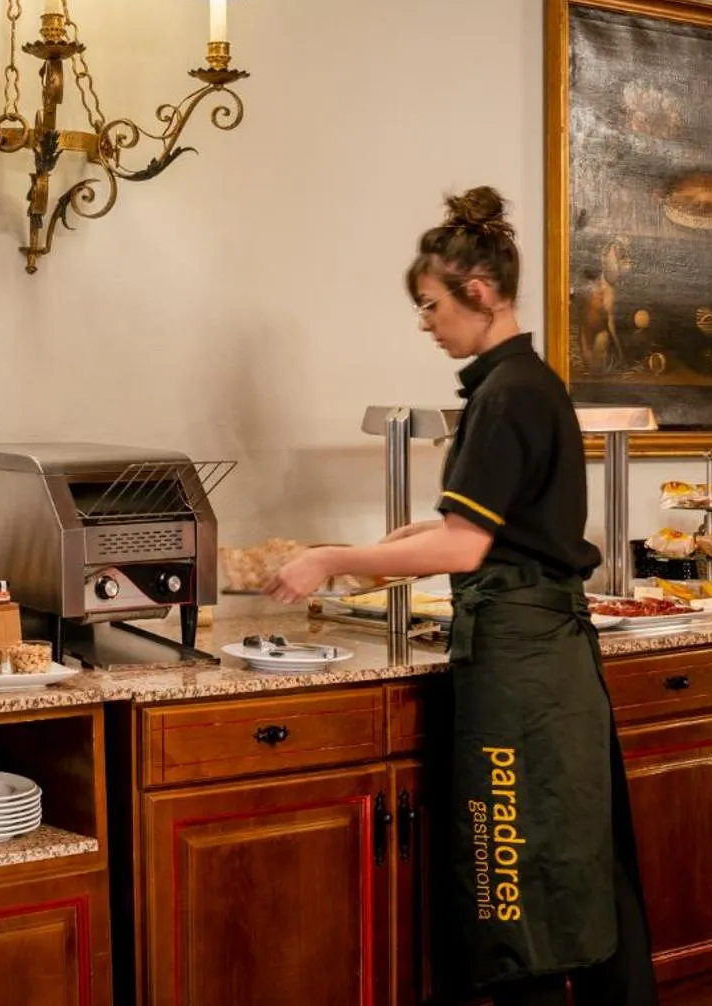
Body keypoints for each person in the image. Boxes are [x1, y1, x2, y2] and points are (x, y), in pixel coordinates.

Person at [264, 187, 657, 1006]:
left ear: (477, 293)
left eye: (429, 303)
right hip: (549, 649)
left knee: (515, 865)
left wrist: (331, 558)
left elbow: (466, 546)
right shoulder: (527, 382)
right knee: (580, 854)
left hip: (521, 664)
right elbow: (468, 527)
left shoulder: (505, 395)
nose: (423, 321)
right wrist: (393, 543)